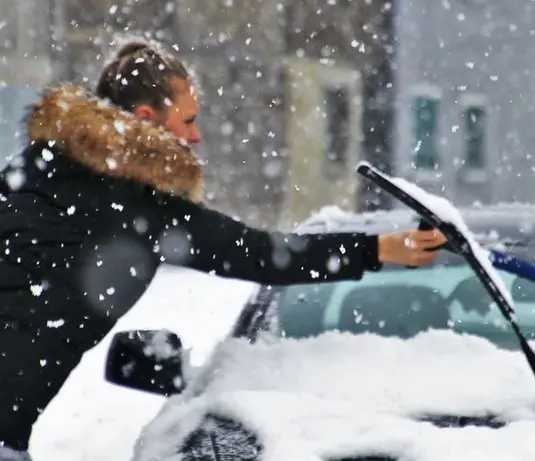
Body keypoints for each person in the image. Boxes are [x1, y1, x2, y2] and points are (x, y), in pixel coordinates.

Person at [0, 39, 447, 457]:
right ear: (146, 116)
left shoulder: (36, 166)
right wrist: (377, 249)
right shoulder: (139, 204)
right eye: (188, 120)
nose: (195, 137)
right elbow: (258, 253)